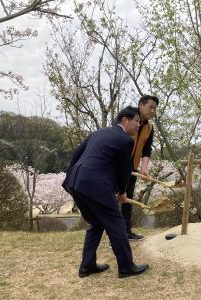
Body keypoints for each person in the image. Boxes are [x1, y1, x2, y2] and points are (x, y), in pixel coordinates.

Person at [62, 106, 149, 278]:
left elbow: (77, 154)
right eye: (136, 121)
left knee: (96, 223)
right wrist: (122, 192)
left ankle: (87, 266)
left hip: (76, 181)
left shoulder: (98, 133)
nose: (139, 125)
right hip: (95, 184)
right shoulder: (125, 140)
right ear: (125, 120)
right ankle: (126, 267)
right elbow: (124, 170)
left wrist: (72, 176)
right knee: (116, 223)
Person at [122, 95, 159, 240]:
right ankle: (117, 235)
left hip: (133, 167)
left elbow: (147, 149)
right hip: (119, 165)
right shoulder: (128, 119)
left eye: (155, 108)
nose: (153, 111)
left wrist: (144, 168)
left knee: (128, 200)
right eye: (150, 107)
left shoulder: (149, 127)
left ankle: (127, 232)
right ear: (141, 105)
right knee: (117, 198)